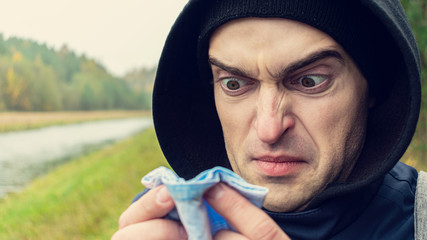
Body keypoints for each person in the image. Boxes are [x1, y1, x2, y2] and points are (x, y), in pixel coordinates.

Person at [112, 0, 424, 239]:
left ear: (373, 87)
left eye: (310, 81)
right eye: (234, 83)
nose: (269, 129)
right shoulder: (164, 220)